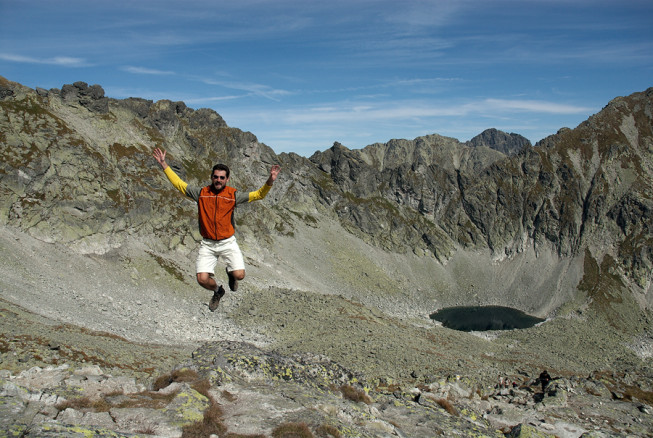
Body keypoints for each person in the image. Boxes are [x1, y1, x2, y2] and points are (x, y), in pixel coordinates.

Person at [152, 148, 281, 311]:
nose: (218, 180)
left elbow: (258, 195)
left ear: (227, 179)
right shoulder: (201, 193)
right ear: (211, 177)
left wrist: (270, 180)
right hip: (208, 244)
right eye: (216, 177)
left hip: (227, 242)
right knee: (202, 279)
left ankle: (231, 273)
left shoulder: (232, 195)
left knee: (239, 275)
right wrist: (164, 164)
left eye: (222, 177)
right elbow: (179, 185)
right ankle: (218, 291)